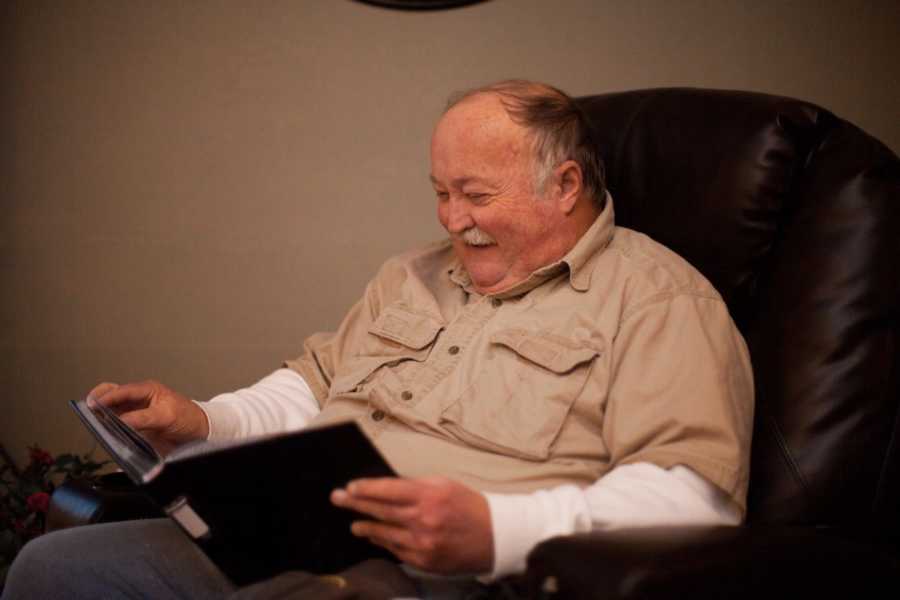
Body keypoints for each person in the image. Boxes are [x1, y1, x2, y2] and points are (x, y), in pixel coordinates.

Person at [2, 80, 753, 600]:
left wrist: (494, 531)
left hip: (457, 577)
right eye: (440, 192)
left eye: (476, 195)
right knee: (55, 568)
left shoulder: (658, 299)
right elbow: (315, 383)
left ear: (562, 186)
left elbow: (689, 498)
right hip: (293, 539)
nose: (451, 220)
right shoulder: (412, 275)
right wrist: (204, 421)